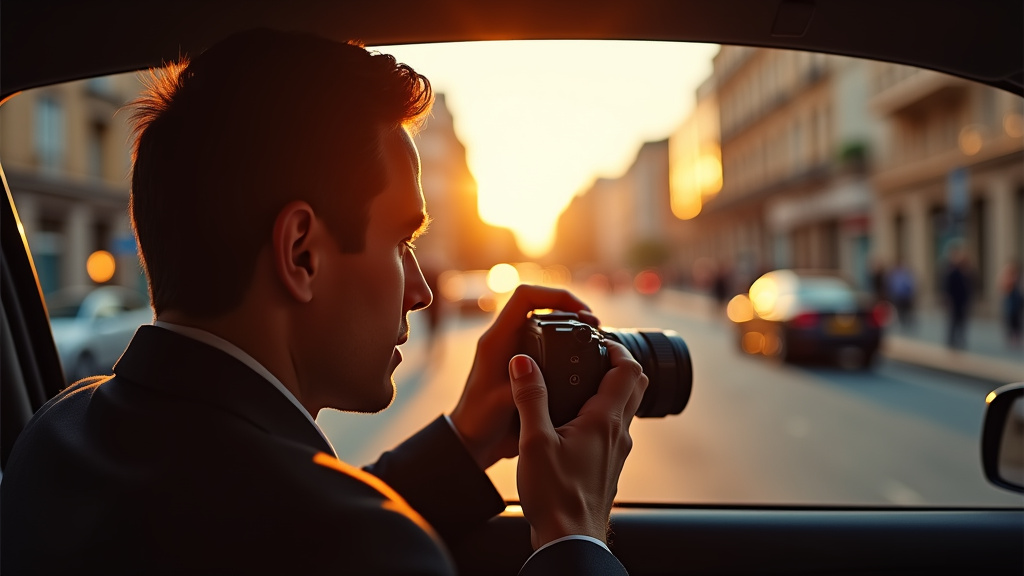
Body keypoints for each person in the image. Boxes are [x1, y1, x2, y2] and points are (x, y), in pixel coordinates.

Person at [0, 30, 647, 575]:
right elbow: (324, 528)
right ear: (302, 252)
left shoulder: (53, 435)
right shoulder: (363, 547)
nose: (421, 292)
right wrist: (573, 535)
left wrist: (465, 440)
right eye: (401, 241)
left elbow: (276, 516)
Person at [943, 244, 972, 349]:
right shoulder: (952, 272)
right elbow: (948, 287)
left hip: (963, 300)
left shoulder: (966, 272)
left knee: (962, 321)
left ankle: (960, 339)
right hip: (955, 301)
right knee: (953, 321)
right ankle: (951, 340)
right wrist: (948, 299)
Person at [999, 260, 1023, 348]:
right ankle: (1011, 337)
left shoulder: (1017, 276)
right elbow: (1003, 286)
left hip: (1017, 299)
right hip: (1010, 300)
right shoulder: (1007, 277)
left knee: (1017, 319)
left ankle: (1017, 336)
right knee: (1010, 318)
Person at [887, 261, 915, 330]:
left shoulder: (905, 275)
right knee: (901, 310)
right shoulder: (896, 275)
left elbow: (911, 285)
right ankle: (904, 323)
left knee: (906, 310)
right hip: (899, 296)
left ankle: (907, 322)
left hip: (905, 295)